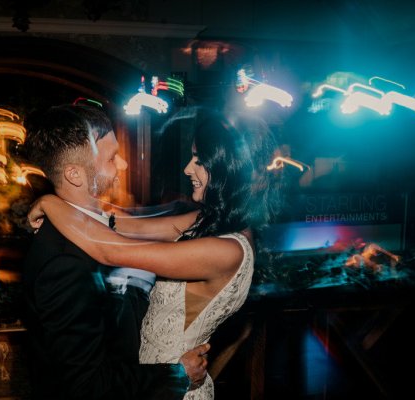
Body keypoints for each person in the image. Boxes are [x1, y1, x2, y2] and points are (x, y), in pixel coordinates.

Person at [28, 106, 284, 399]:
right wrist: (66, 207)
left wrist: (49, 201)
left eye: (199, 160)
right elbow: (128, 225)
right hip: (155, 383)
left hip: (174, 385)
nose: (187, 168)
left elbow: (110, 250)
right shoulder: (209, 221)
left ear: (228, 169)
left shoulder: (225, 250)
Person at [21, 103, 210, 400]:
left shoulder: (94, 230)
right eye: (111, 158)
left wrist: (49, 201)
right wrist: (177, 374)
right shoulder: (65, 263)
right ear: (74, 174)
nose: (122, 165)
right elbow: (86, 386)